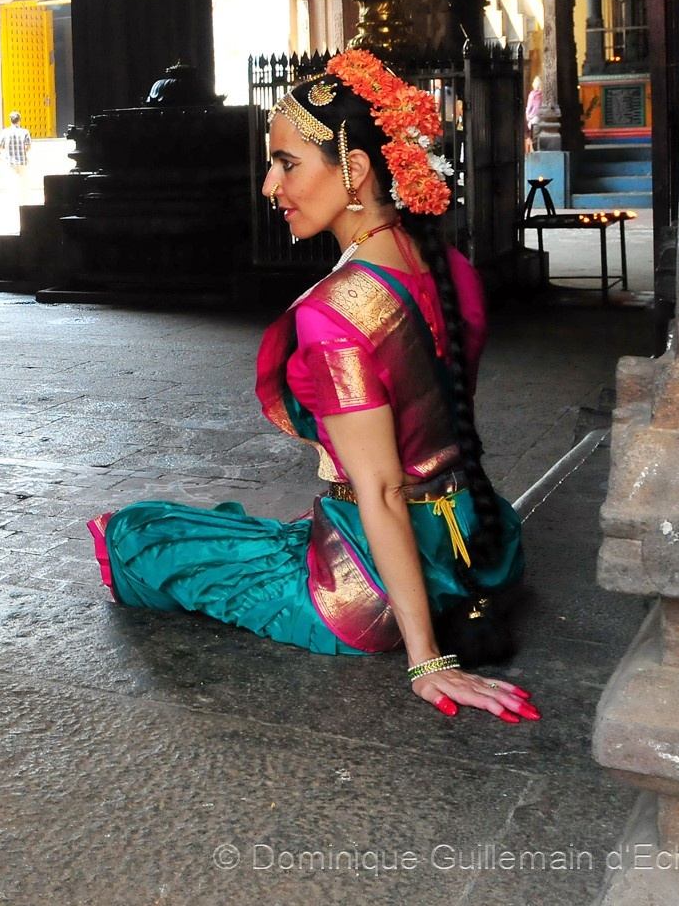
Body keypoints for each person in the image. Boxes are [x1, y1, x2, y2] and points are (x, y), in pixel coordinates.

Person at [87, 51, 538, 725]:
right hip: (480, 547)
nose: (270, 185)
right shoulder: (448, 267)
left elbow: (381, 490)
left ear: (354, 169)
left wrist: (428, 661)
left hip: (368, 589)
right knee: (253, 532)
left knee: (140, 536)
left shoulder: (337, 313)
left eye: (287, 164)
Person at [0, 111, 34, 198]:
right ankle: (23, 199)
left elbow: (1, 146)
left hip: (10, 161)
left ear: (10, 120)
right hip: (22, 161)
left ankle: (14, 199)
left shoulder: (5, 132)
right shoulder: (25, 132)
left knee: (13, 182)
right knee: (23, 182)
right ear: (19, 120)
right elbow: (28, 147)